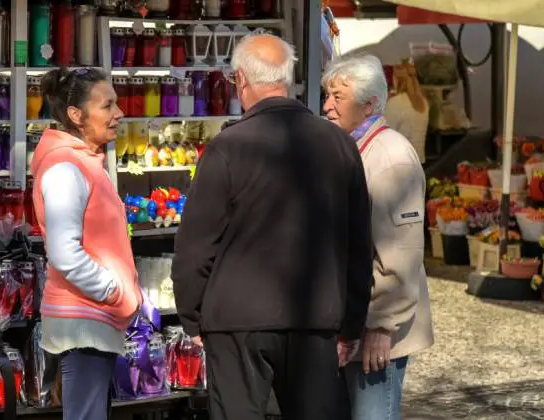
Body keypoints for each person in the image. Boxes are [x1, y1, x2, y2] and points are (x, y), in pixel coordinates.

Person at [171, 34, 373, 420]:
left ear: (241, 81)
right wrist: (350, 326)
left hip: (235, 320)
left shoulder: (227, 147)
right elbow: (360, 245)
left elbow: (195, 246)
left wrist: (193, 317)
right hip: (313, 318)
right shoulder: (339, 144)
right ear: (288, 78)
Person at [322, 55, 435, 420]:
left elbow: (401, 255)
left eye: (337, 97)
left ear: (369, 104)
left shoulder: (390, 158)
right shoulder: (355, 149)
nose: (326, 105)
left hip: (379, 333)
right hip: (358, 325)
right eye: (328, 95)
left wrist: (382, 326)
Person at [30, 67, 142, 420]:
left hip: (91, 318)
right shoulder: (66, 168)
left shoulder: (82, 162)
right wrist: (114, 291)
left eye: (116, 104)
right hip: (84, 319)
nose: (118, 113)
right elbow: (65, 254)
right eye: (107, 105)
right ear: (77, 116)